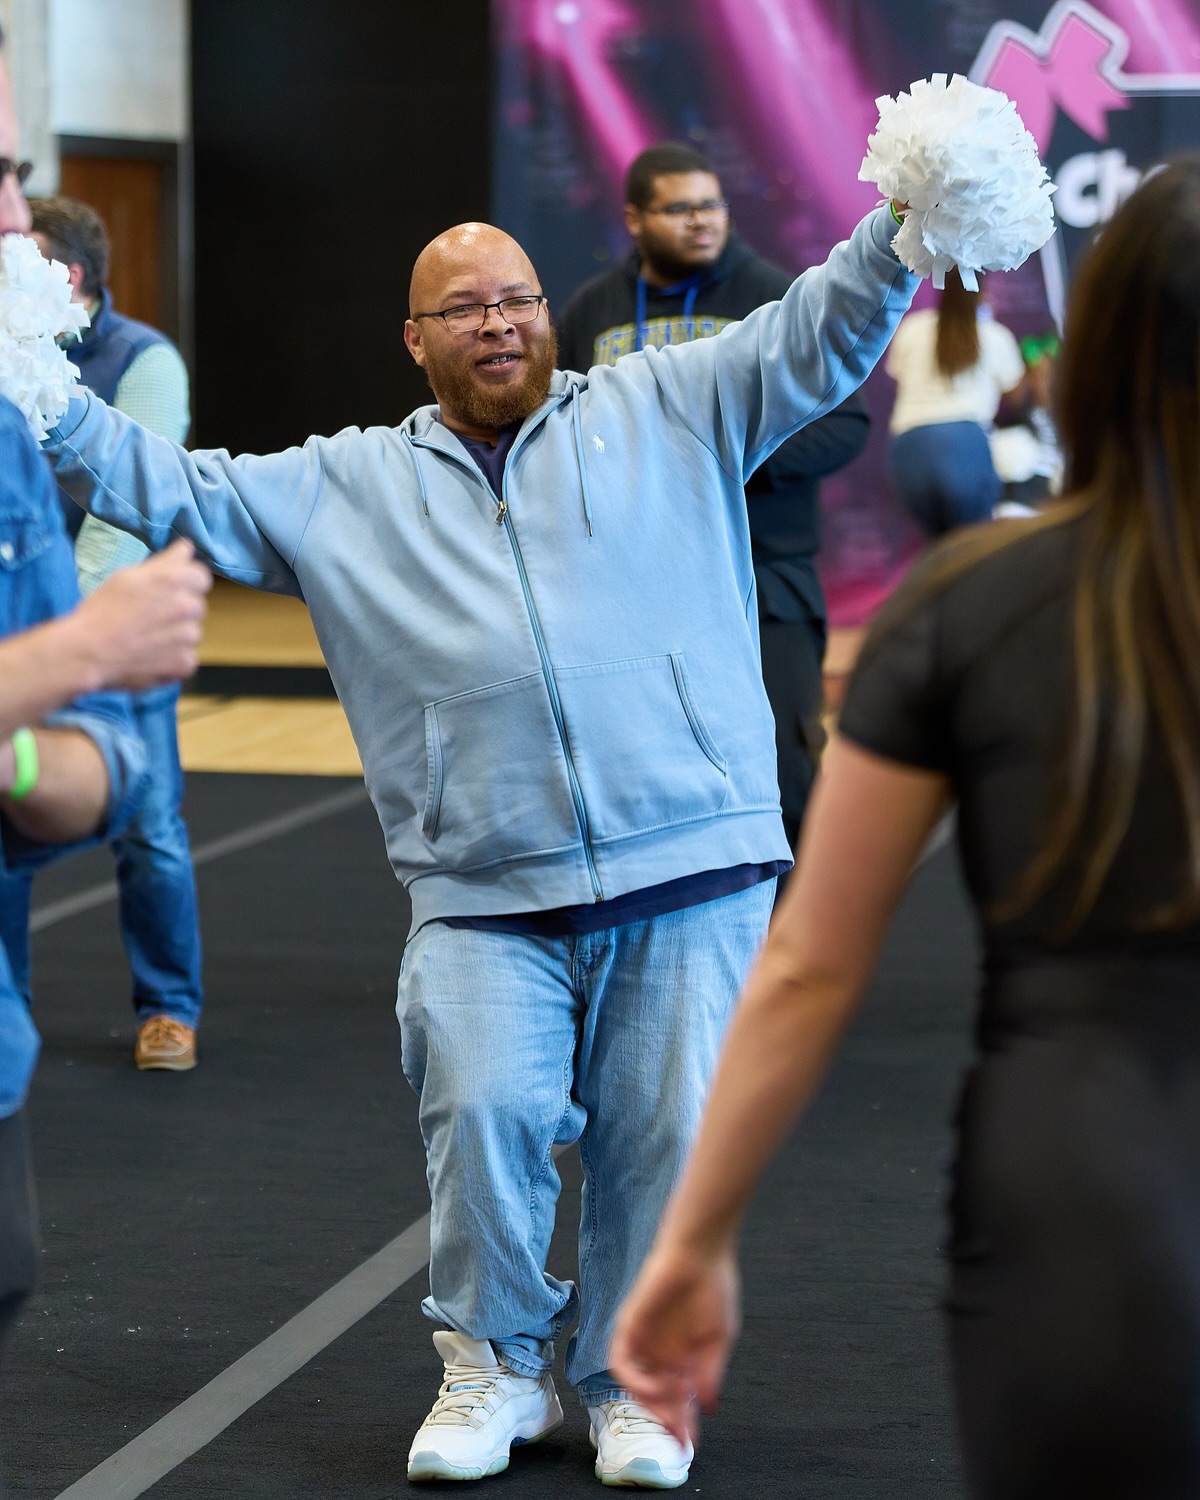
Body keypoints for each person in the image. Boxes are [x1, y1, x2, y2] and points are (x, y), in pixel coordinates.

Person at [36, 194, 919, 1488]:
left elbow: (821, 332)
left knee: (661, 1136)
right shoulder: (344, 484)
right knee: (485, 1111)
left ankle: (636, 1387)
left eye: (514, 299)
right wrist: (31, 381)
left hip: (694, 862)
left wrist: (907, 220)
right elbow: (166, 482)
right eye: (464, 308)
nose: (497, 323)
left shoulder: (669, 405)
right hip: (478, 882)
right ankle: (494, 1366)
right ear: (414, 340)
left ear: (546, 316)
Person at [611, 157, 1200, 1500]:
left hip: (1082, 1192)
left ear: (1097, 354)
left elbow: (813, 963)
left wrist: (692, 1241)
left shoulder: (972, 604)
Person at [558, 143, 870, 846]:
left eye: (711, 205)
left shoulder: (778, 299)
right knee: (644, 780)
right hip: (635, 586)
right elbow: (559, 430)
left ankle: (788, 947)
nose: (702, 221)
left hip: (764, 577)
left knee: (786, 775)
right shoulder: (593, 311)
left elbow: (844, 425)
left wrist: (715, 458)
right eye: (680, 208)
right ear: (635, 218)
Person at [11, 195, 202, 1073]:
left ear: (67, 276)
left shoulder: (145, 361)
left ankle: (168, 1006)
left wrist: (77, 639)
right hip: (25, 637)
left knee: (148, 823)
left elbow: (126, 513)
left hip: (111, 627)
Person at [884, 269, 1024, 536]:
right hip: (965, 449)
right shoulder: (994, 336)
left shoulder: (912, 329)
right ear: (983, 291)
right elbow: (1016, 396)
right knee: (971, 552)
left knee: (937, 550)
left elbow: (897, 378)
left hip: (908, 452)